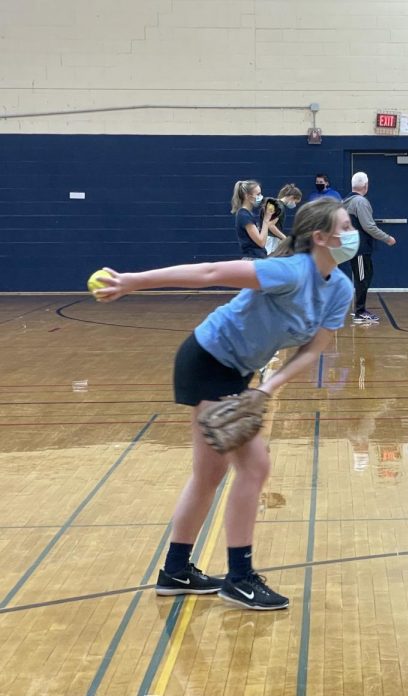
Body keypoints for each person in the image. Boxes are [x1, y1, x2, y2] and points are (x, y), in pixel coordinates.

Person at [92, 198, 357, 610]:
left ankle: (175, 571)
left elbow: (313, 349)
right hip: (206, 359)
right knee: (254, 467)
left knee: (208, 475)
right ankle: (239, 577)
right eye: (346, 225)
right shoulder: (289, 270)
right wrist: (132, 281)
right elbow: (210, 273)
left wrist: (269, 388)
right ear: (321, 237)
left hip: (238, 372)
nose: (352, 232)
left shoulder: (340, 287)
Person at [343, 171, 396, 324]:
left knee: (366, 275)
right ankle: (360, 312)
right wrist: (387, 238)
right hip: (358, 247)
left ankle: (359, 309)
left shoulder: (346, 200)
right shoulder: (360, 202)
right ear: (365, 185)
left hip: (356, 246)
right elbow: (369, 226)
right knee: (362, 278)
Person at [231, 179, 276, 260]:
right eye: (258, 194)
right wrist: (266, 219)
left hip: (258, 258)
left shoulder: (248, 214)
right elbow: (261, 242)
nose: (261, 197)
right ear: (247, 196)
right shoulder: (243, 215)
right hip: (252, 260)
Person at [263, 183, 303, 255]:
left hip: (266, 237)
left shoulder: (274, 203)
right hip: (270, 239)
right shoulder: (280, 207)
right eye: (295, 202)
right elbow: (270, 225)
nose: (294, 205)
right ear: (292, 197)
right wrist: (284, 238)